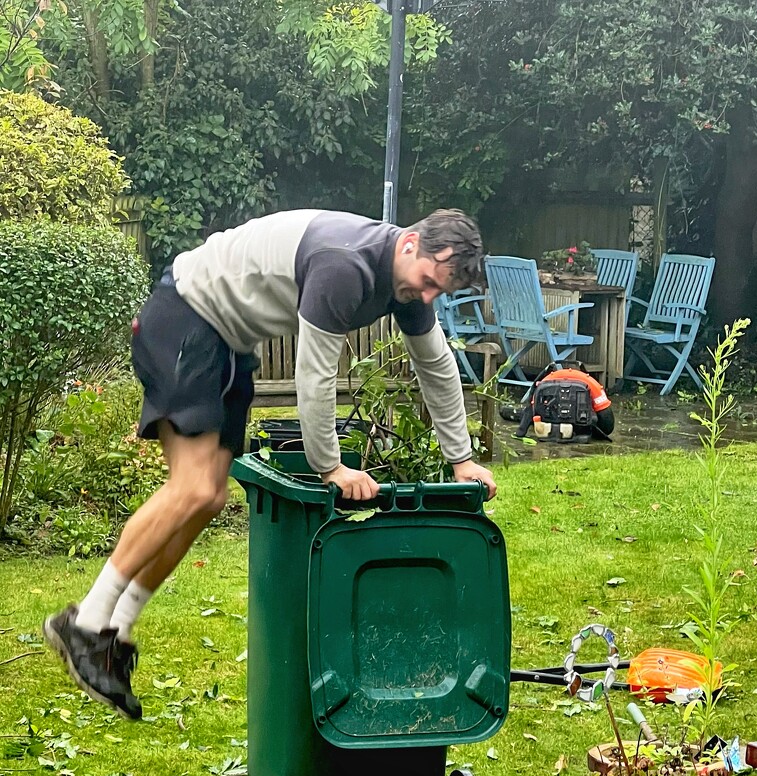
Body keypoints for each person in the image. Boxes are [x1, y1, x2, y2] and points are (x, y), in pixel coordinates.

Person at [43, 207, 497, 721]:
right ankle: (83, 624)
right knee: (191, 488)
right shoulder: (344, 265)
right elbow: (316, 373)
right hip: (186, 316)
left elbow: (434, 364)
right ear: (412, 244)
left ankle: (116, 630)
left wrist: (461, 458)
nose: (429, 296)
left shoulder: (406, 283)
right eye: (428, 282)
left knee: (209, 497)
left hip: (226, 342)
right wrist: (331, 467)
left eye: (441, 290)